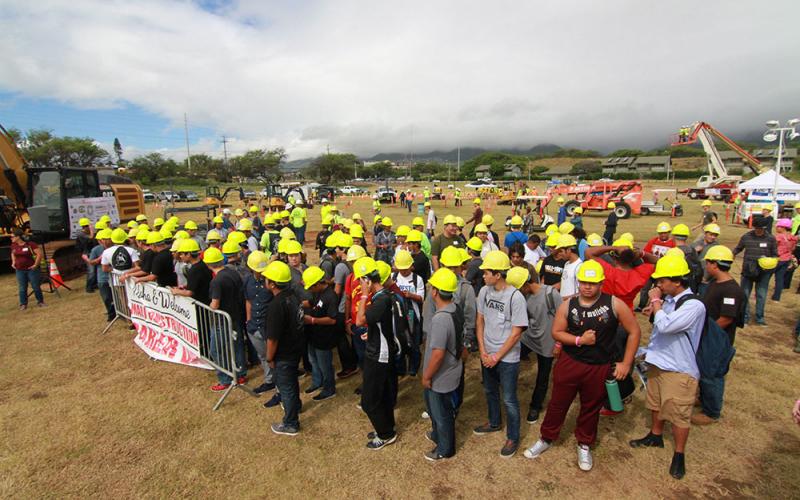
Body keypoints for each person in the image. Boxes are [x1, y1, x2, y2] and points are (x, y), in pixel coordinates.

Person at [524, 261, 640, 472]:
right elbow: (556, 332)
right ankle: (546, 438)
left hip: (599, 366)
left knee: (590, 407)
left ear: (601, 283)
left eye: (593, 283)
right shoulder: (568, 305)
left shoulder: (614, 304)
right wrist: (579, 341)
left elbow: (634, 331)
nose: (587, 287)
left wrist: (626, 362)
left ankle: (584, 443)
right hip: (570, 362)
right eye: (584, 282)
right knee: (558, 403)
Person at [629, 254, 706, 480]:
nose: (658, 285)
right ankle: (655, 435)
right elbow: (659, 326)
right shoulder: (671, 301)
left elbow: (667, 327)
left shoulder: (694, 305)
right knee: (655, 402)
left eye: (662, 281)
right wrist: (655, 310)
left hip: (679, 368)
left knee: (679, 412)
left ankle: (679, 453)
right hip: (659, 361)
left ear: (677, 281)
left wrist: (655, 302)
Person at [473, 251, 528, 458]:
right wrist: (483, 350)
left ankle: (513, 436)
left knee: (509, 398)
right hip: (487, 353)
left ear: (498, 274)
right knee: (489, 391)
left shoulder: (516, 297)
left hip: (507, 358)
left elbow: (515, 334)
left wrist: (496, 356)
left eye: (486, 272)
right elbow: (480, 321)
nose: (483, 276)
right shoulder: (484, 292)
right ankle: (494, 422)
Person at [692, 246, 745, 425]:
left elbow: (726, 319)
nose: (706, 266)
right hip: (708, 336)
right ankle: (703, 398)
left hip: (717, 340)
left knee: (712, 374)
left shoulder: (731, 290)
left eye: (708, 262)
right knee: (703, 369)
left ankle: (712, 411)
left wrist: (705, 331)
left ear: (714, 264)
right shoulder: (716, 283)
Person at [354, 257, 399, 450]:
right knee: (382, 395)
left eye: (361, 281)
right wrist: (371, 334)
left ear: (368, 280)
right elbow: (382, 325)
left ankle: (386, 434)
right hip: (379, 348)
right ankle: (386, 427)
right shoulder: (383, 297)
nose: (359, 285)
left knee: (369, 401)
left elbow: (359, 320)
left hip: (379, 354)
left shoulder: (380, 300)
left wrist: (364, 296)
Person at [506, 266, 559, 424]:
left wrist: (559, 344)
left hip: (547, 343)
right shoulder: (523, 297)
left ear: (524, 285)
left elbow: (563, 317)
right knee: (510, 358)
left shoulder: (551, 294)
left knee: (543, 377)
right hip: (529, 338)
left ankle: (535, 406)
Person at [421, 268, 464, 461]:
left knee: (441, 413)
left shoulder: (440, 319)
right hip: (452, 368)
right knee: (439, 409)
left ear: (436, 292)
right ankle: (438, 435)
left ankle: (445, 449)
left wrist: (427, 376)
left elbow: (437, 354)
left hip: (441, 375)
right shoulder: (456, 308)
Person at [263, 260, 305, 435]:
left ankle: (290, 423)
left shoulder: (276, 305)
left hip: (284, 353)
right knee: (292, 383)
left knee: (286, 386)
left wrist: (269, 357)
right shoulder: (293, 296)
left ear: (272, 283)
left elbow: (272, 338)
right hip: (296, 348)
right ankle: (296, 407)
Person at [204, 247, 248, 392]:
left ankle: (225, 378)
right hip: (236, 316)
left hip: (222, 321)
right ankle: (241, 374)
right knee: (237, 346)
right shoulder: (233, 273)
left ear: (208, 264)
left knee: (216, 350)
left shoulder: (216, 281)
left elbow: (215, 304)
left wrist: (209, 307)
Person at [302, 266, 338, 401]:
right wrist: (298, 305)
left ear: (318, 284)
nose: (310, 290)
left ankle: (329, 389)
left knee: (325, 365)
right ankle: (317, 382)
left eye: (311, 287)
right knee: (314, 361)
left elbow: (332, 320)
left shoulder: (331, 296)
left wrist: (312, 320)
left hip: (324, 337)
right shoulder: (317, 293)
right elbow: (311, 303)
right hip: (313, 335)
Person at [732, 217, 777, 325]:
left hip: (764, 272)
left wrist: (770, 261)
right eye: (757, 228)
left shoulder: (770, 238)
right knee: (745, 294)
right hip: (748, 271)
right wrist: (731, 255)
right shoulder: (746, 237)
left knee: (761, 295)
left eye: (761, 228)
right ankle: (745, 317)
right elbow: (738, 248)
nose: (759, 230)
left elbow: (775, 254)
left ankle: (760, 318)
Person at [393, 250, 426, 376]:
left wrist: (410, 295)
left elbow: (421, 298)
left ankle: (414, 366)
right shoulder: (394, 277)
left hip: (412, 314)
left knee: (414, 342)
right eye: (400, 269)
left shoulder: (417, 279)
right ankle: (400, 367)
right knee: (399, 341)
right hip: (397, 315)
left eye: (405, 269)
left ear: (411, 266)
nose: (403, 271)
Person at [635, 222, 677, 311]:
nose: (663, 235)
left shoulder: (673, 244)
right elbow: (646, 253)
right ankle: (641, 305)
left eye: (665, 232)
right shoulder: (653, 241)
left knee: (660, 289)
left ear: (669, 232)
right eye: (661, 233)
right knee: (645, 288)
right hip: (650, 270)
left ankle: (657, 306)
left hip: (662, 271)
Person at [11, 229, 44, 310]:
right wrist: (13, 262)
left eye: (12, 236)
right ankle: (23, 304)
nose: (11, 238)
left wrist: (36, 264)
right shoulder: (13, 245)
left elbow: (39, 254)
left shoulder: (30, 244)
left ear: (18, 237)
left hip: (31, 269)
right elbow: (13, 253)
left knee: (35, 286)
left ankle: (40, 302)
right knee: (22, 287)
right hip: (20, 270)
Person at [90, 229, 115, 321]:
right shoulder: (96, 250)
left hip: (115, 277)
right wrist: (99, 259)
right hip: (103, 278)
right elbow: (91, 262)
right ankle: (110, 313)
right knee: (106, 297)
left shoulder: (115, 248)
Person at [692, 223, 721, 296]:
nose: (713, 237)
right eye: (711, 234)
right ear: (705, 233)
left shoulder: (717, 247)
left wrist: (706, 278)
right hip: (694, 278)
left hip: (707, 281)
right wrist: (694, 251)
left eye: (715, 235)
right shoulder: (695, 244)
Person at [772, 218, 797, 301]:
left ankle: (759, 294)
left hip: (777, 259)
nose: (776, 228)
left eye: (778, 226)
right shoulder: (792, 237)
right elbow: (793, 249)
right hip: (786, 259)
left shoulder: (778, 237)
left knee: (765, 277)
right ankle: (776, 297)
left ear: (783, 227)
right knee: (780, 279)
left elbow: (772, 248)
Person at [76, 218, 97, 293]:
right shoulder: (81, 234)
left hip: (91, 252)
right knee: (91, 271)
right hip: (87, 254)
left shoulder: (85, 234)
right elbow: (90, 238)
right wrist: (92, 231)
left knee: (95, 270)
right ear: (85, 226)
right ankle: (89, 287)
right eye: (89, 226)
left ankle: (94, 285)